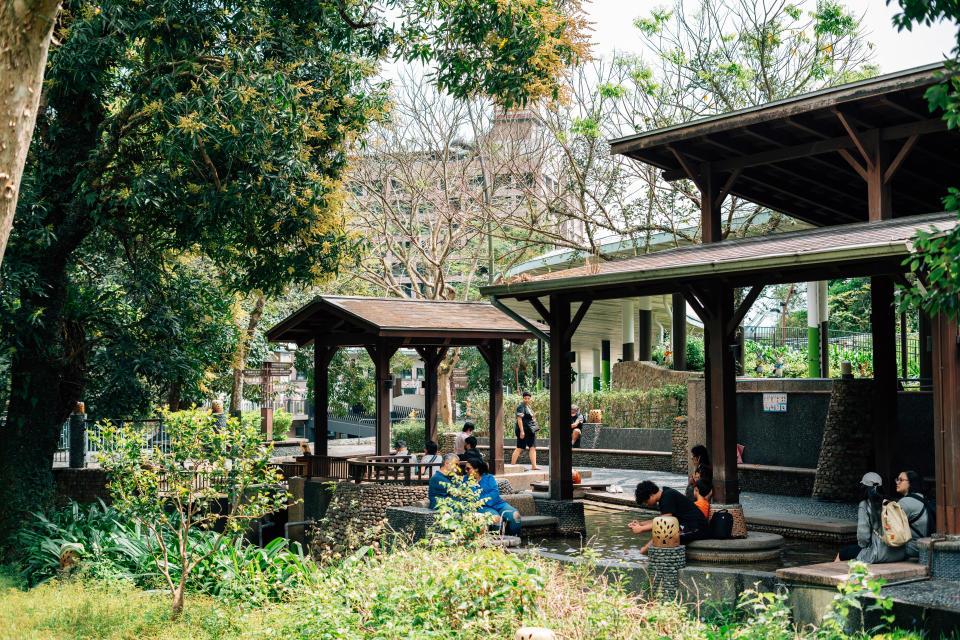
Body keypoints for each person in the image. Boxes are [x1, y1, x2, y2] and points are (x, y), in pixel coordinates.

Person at [836, 472, 906, 564]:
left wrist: (864, 546)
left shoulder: (865, 505)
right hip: (899, 553)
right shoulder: (892, 503)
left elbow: (863, 538)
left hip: (878, 553)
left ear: (864, 487)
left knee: (842, 554)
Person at [629, 480, 708, 554]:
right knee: (663, 532)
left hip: (697, 528)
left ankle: (641, 554)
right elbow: (660, 520)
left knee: (663, 535)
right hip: (688, 526)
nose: (646, 504)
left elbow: (663, 524)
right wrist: (641, 524)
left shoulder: (667, 497)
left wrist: (641, 529)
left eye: (646, 501)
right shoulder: (665, 494)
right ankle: (642, 553)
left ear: (651, 495)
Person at [465, 458, 521, 536]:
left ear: (476, 469)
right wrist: (481, 501)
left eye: (468, 469)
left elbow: (494, 493)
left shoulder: (489, 478)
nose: (466, 471)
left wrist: (481, 499)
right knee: (496, 519)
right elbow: (469, 498)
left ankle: (515, 540)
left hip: (498, 504)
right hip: (481, 507)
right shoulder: (465, 481)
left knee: (515, 515)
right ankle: (499, 544)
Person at [896, 470, 930, 559]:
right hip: (925, 547)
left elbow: (892, 526)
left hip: (912, 548)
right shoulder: (923, 497)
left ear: (910, 483)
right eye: (897, 479)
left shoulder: (905, 502)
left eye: (901, 480)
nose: (897, 482)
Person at [511, 391, 539, 469]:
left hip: (530, 430)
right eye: (525, 398)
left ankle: (534, 466)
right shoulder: (521, 406)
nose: (527, 400)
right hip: (523, 429)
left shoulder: (528, 406)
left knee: (533, 447)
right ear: (523, 398)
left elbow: (531, 416)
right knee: (520, 447)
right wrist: (522, 431)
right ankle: (512, 466)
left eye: (528, 398)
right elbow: (519, 419)